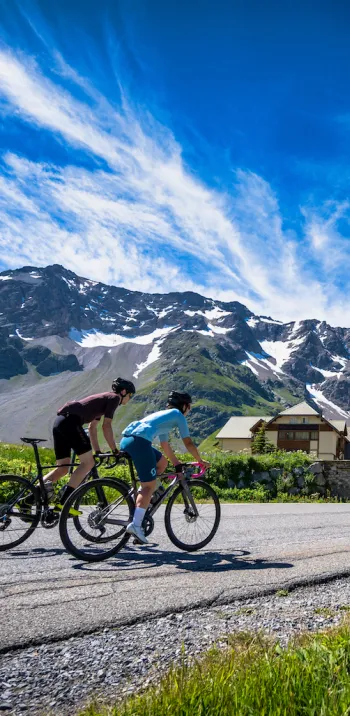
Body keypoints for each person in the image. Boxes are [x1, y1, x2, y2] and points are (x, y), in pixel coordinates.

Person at [120, 390, 210, 544]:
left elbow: (164, 445)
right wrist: (200, 460)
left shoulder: (165, 417)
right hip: (140, 442)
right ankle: (136, 524)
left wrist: (176, 464)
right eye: (190, 408)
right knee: (148, 486)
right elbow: (188, 442)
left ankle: (144, 499)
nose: (189, 411)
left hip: (128, 440)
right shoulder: (178, 415)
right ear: (185, 406)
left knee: (162, 463)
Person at [43, 378, 136, 506]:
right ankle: (63, 503)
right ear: (124, 392)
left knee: (63, 469)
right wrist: (115, 450)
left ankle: (31, 497)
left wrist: (97, 450)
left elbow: (92, 428)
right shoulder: (114, 398)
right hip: (71, 422)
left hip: (60, 422)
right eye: (130, 395)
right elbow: (106, 426)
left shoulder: (103, 400)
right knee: (87, 463)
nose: (129, 399)